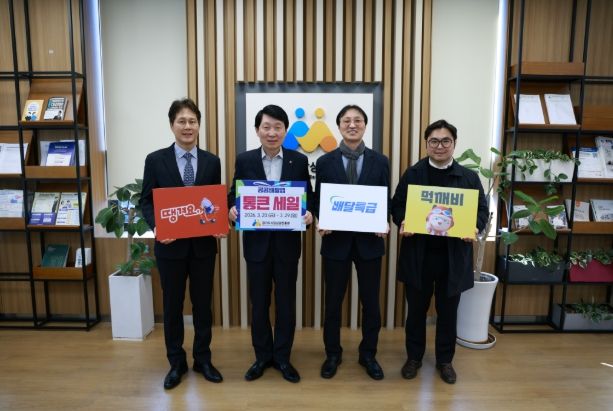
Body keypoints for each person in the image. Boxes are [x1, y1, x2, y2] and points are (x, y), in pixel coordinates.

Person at [391, 119, 488, 384]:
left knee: (448, 312)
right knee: (416, 312)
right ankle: (414, 358)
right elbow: (397, 205)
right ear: (426, 144)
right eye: (434, 141)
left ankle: (445, 361)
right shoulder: (413, 174)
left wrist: (474, 226)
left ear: (454, 144)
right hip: (419, 255)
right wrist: (403, 220)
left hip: (453, 257)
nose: (440, 146)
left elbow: (482, 210)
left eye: (446, 141)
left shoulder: (468, 177)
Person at [141, 98, 225, 390]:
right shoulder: (155, 160)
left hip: (203, 248)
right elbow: (146, 201)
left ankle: (203, 359)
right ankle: (176, 362)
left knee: (203, 306)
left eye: (192, 121)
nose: (187, 126)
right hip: (170, 247)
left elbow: (214, 202)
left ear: (199, 125)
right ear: (172, 125)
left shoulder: (212, 161)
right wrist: (157, 227)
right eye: (182, 121)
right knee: (172, 306)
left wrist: (219, 223)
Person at [227, 104, 314, 383]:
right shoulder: (245, 160)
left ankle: (283, 358)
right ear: (257, 130)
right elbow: (233, 194)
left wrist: (309, 215)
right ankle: (263, 356)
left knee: (286, 304)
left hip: (287, 247)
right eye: (266, 127)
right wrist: (232, 209)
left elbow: (308, 198)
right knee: (259, 303)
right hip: (257, 247)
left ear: (285, 131)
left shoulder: (299, 161)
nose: (272, 132)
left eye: (278, 127)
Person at [314, 105, 390, 380]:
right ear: (339, 126)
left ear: (365, 126)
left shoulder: (381, 161)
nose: (352, 124)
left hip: (370, 243)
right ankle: (332, 354)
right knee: (333, 303)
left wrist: (384, 221)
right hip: (336, 243)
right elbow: (318, 199)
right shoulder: (325, 162)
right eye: (346, 120)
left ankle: (368, 354)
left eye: (358, 120)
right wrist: (321, 219)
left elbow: (385, 197)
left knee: (371, 303)